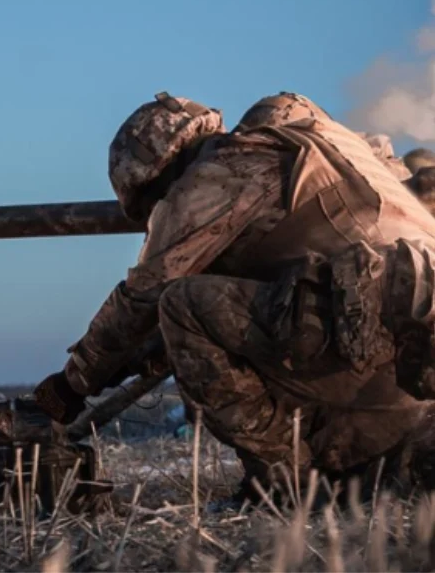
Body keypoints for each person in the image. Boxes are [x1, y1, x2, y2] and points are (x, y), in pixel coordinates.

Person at [33, 90, 435, 503]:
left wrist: (68, 389)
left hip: (371, 345)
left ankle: (286, 487)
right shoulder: (327, 140)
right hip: (407, 363)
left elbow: (143, 300)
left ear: (158, 177)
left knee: (181, 307)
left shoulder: (216, 173)